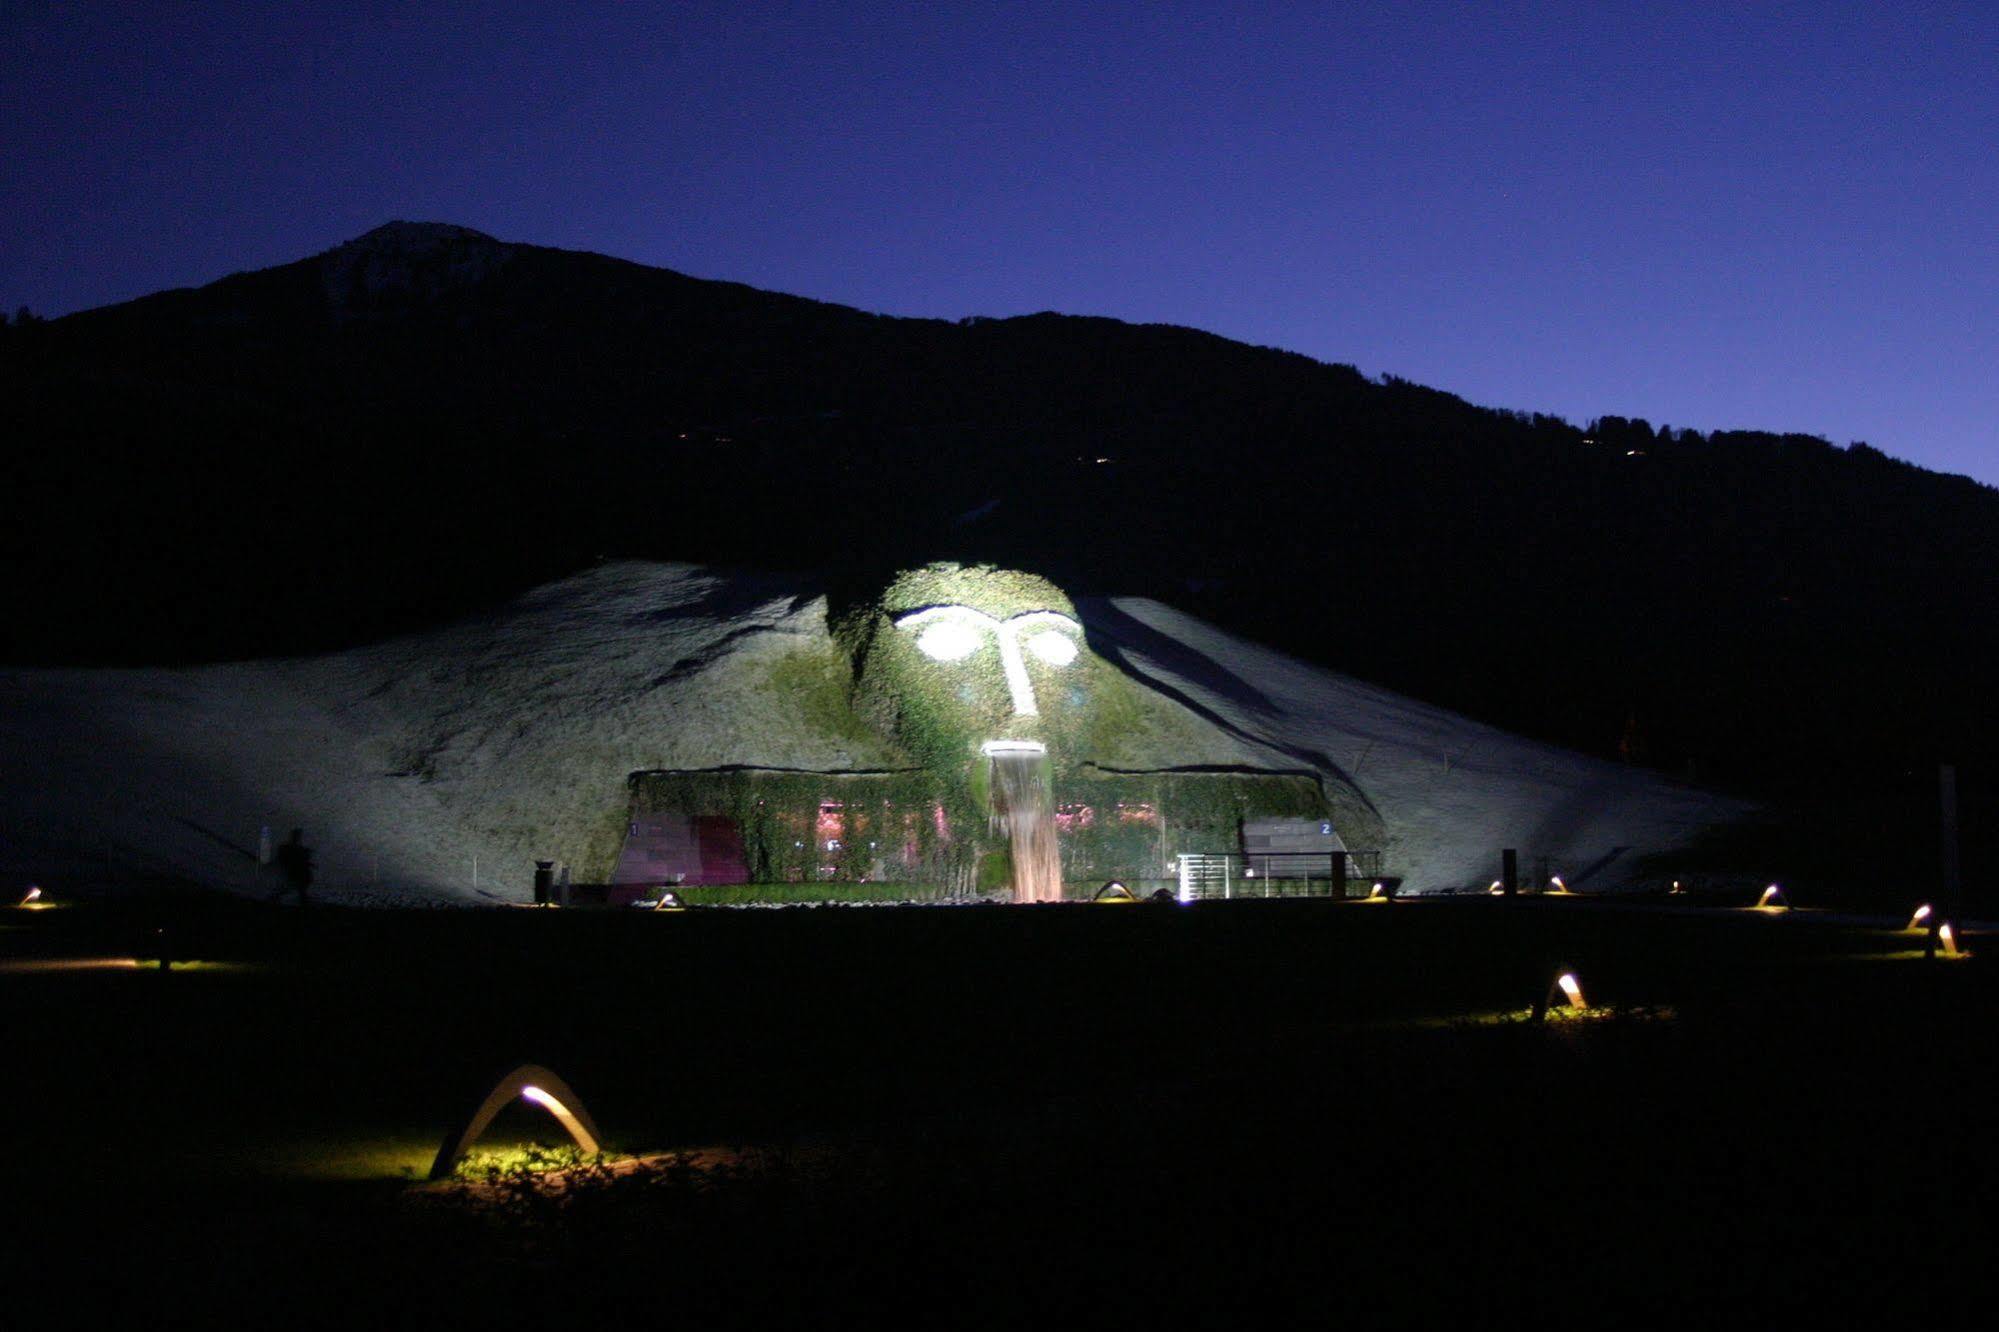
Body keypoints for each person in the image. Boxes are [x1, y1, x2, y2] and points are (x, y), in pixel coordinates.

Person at [275, 828, 314, 905]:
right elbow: (284, 859)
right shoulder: (287, 848)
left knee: (295, 888)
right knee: (290, 888)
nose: (298, 838)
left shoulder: (297, 848)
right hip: (296, 873)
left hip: (298, 873)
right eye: (297, 836)